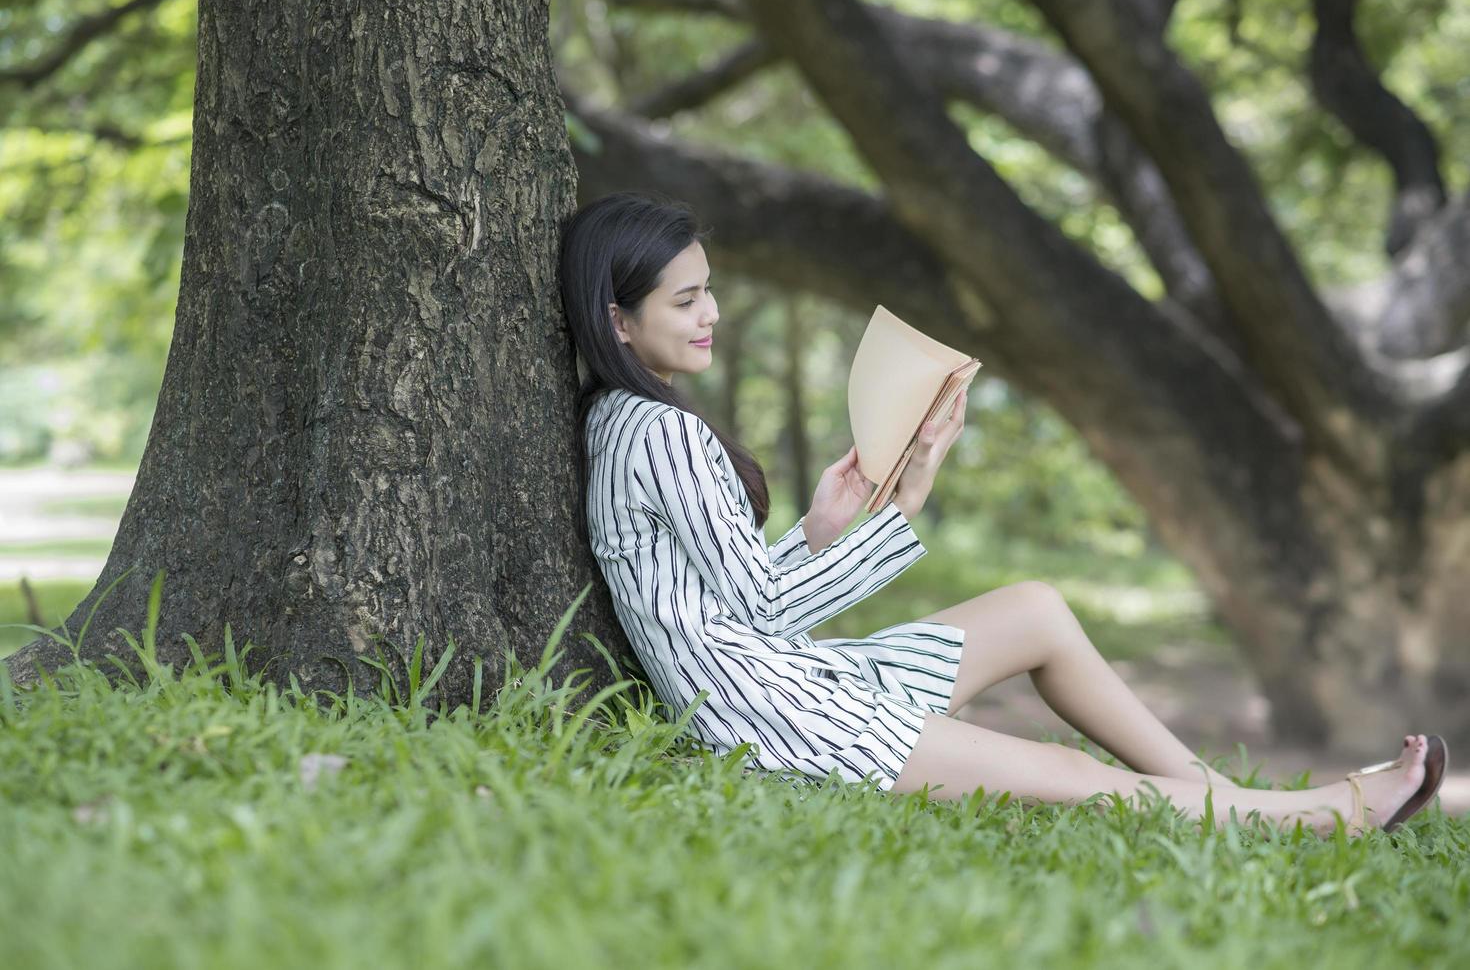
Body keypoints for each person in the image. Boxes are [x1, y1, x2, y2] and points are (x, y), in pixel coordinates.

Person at [559, 190, 1448, 837]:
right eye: (685, 301)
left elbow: (722, 600)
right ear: (619, 321)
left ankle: (1211, 790)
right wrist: (903, 502)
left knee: (1033, 611)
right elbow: (753, 616)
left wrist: (822, 529)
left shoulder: (624, 420)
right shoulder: (660, 431)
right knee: (1068, 777)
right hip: (770, 722)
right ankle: (1312, 818)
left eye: (709, 289)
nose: (711, 313)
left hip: (781, 684)